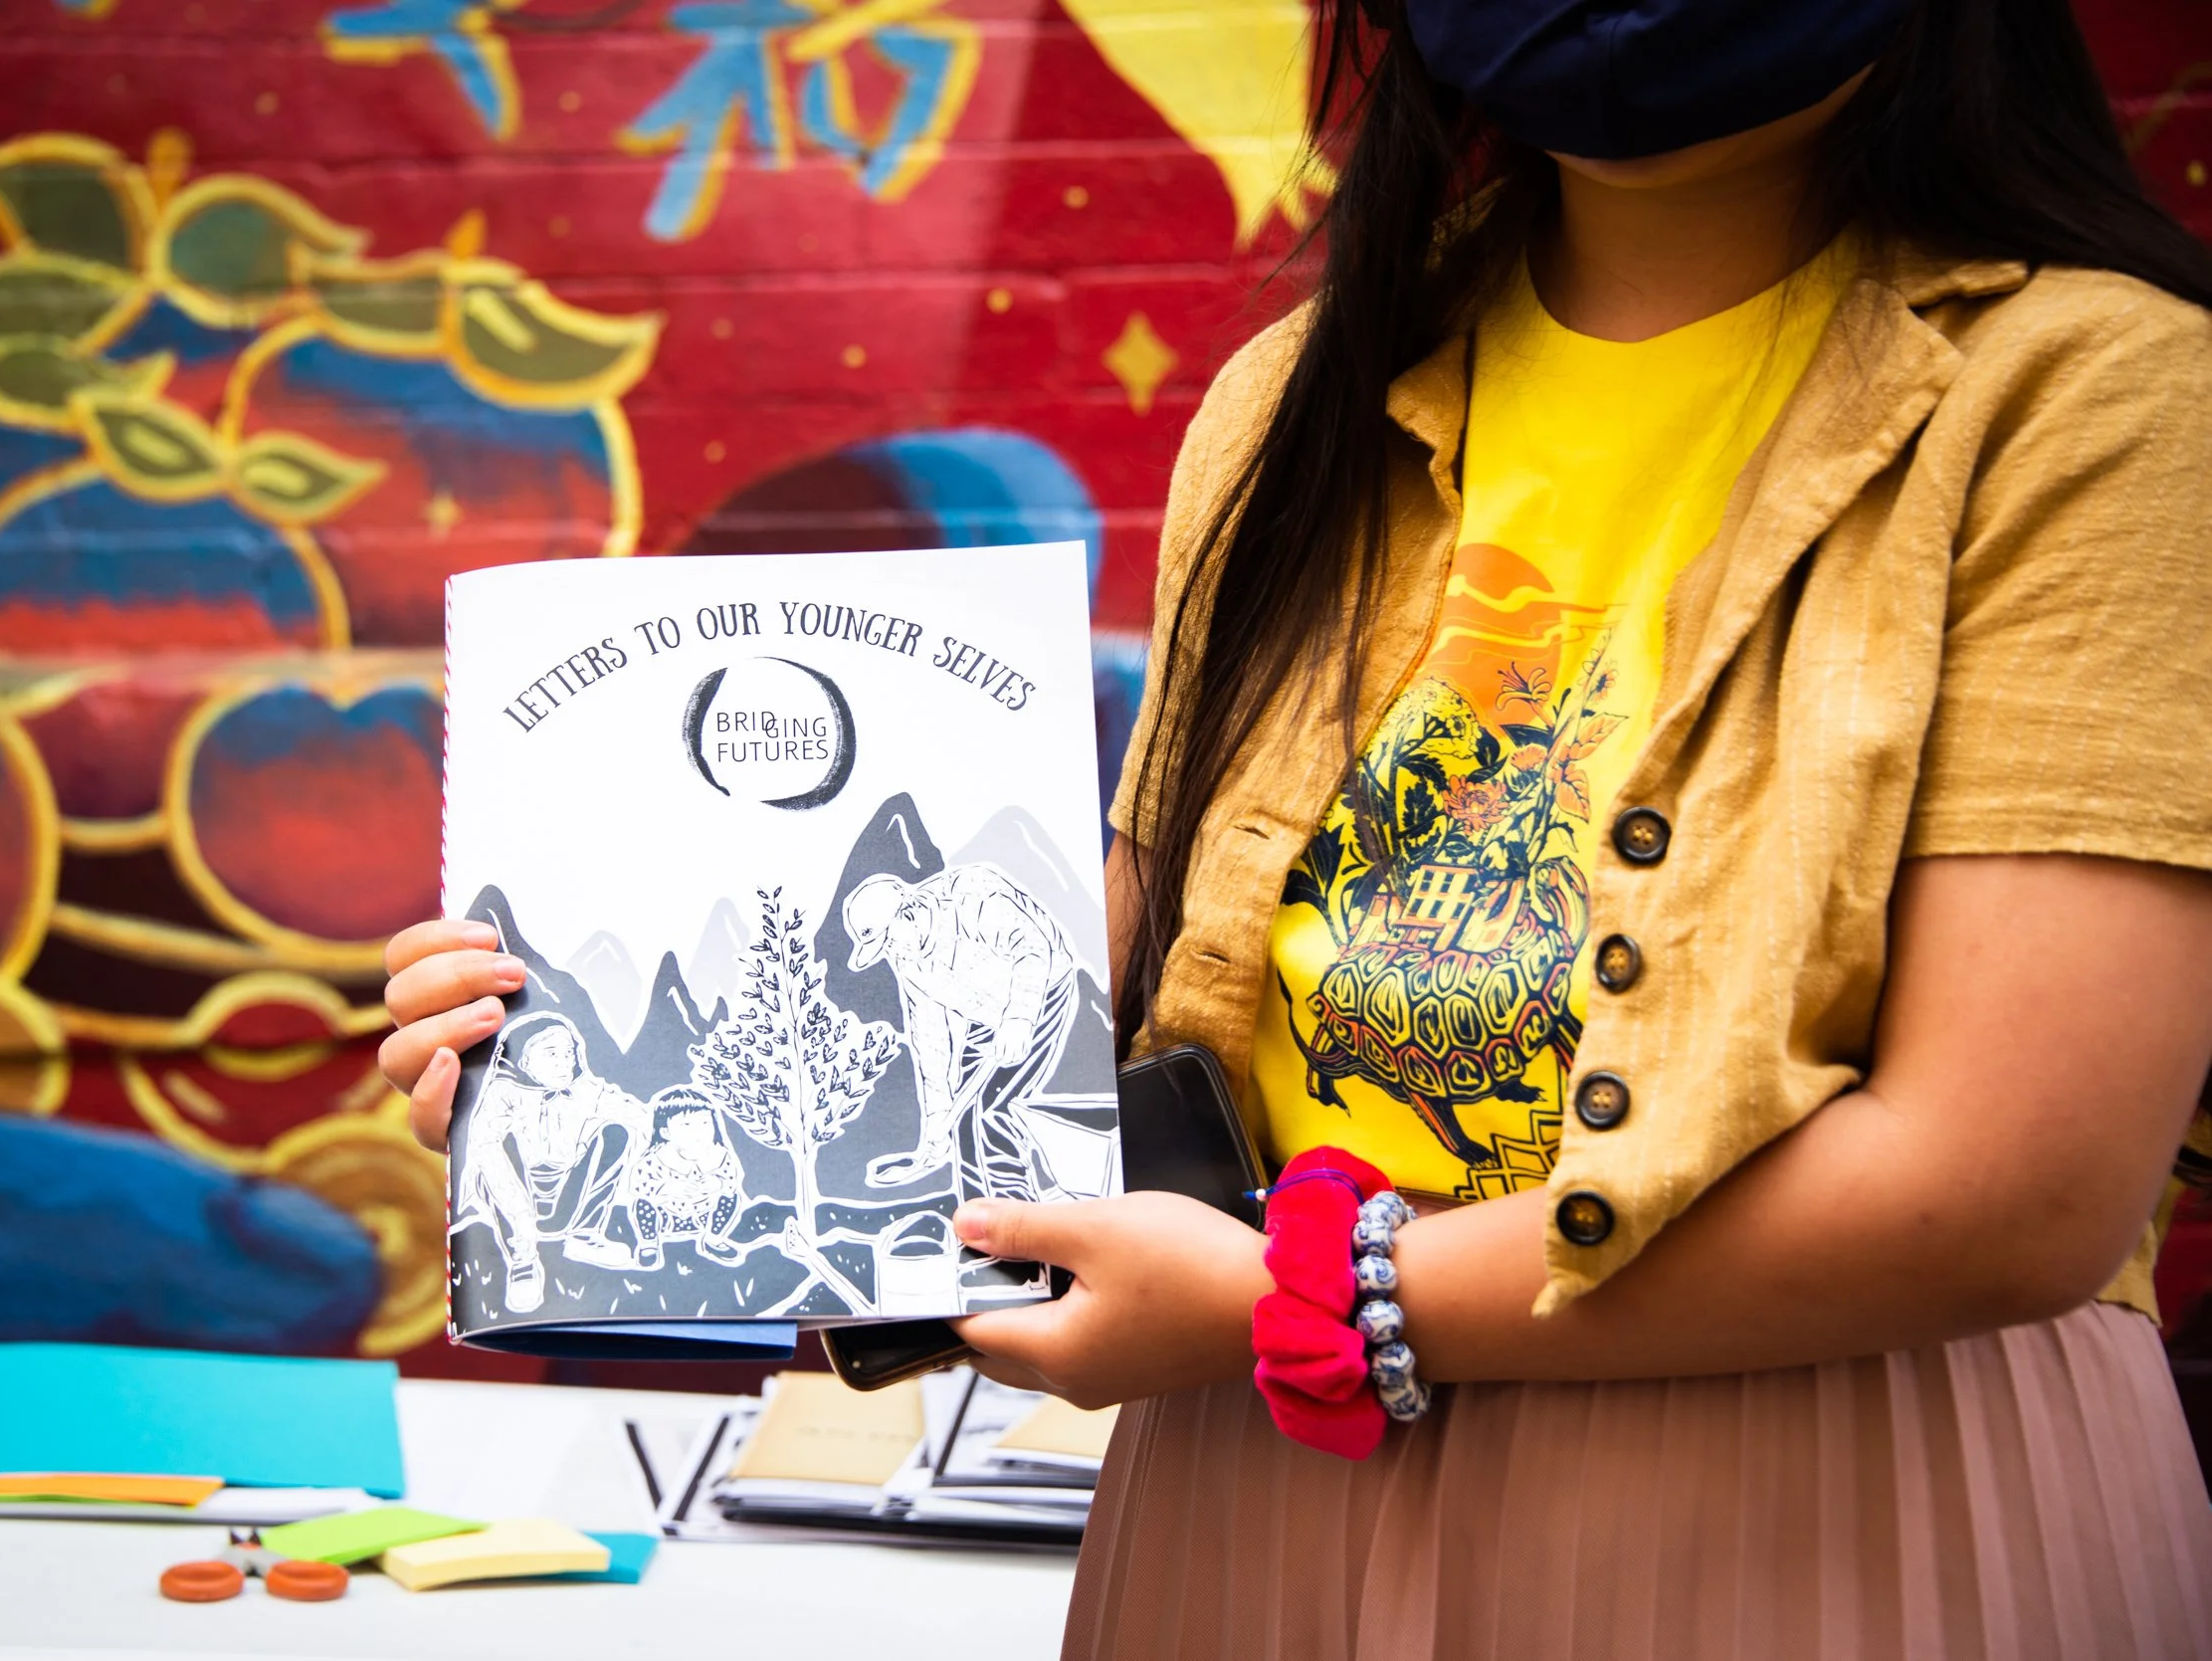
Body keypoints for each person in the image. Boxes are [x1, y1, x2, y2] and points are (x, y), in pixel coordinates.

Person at [382, 0, 2212, 1648]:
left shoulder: (2094, 398)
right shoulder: (1294, 403)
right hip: (1254, 1498)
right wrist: (616, 1076)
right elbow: (1047, 1038)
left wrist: (1310, 1296)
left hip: (1845, 1498)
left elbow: (2015, 1182)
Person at [841, 866, 1081, 1200]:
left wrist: (1019, 1021)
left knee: (993, 1108)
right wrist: (937, 1120)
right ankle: (977, 1221)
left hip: (1040, 991)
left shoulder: (971, 898)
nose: (891, 951)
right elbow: (930, 1039)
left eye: (889, 940)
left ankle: (1015, 1216)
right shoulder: (908, 959)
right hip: (985, 1016)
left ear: (909, 913)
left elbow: (1032, 951)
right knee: (962, 1119)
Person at [449, 1011, 645, 1309]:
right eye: (551, 1053)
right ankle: (522, 1262)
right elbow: (486, 1150)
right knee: (494, 1151)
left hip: (569, 1190)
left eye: (568, 1053)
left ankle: (585, 1235)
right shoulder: (503, 1093)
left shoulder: (585, 1089)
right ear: (524, 1060)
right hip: (515, 1191)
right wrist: (522, 1220)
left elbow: (636, 1114)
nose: (563, 1061)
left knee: (616, 1133)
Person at [625, 1087, 746, 1269]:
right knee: (642, 1204)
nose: (699, 1131)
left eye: (705, 1123)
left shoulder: (718, 1156)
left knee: (731, 1197)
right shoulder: (656, 1159)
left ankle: (713, 1240)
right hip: (667, 1218)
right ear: (665, 1132)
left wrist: (717, 1183)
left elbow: (731, 1181)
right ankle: (649, 1245)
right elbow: (639, 1186)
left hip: (704, 1217)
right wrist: (668, 1189)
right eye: (687, 1125)